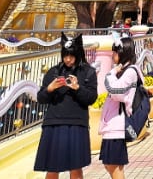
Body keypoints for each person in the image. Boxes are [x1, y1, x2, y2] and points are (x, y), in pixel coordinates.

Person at [34, 33, 98, 179]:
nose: (68, 59)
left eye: (71, 56)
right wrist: (49, 88)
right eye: (65, 55)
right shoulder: (53, 72)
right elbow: (41, 98)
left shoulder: (88, 72)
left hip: (77, 123)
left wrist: (78, 88)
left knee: (75, 169)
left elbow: (91, 98)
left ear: (78, 54)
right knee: (52, 168)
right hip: (54, 123)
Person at [99, 35, 141, 179]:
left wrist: (111, 73)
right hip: (112, 125)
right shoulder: (124, 70)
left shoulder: (130, 72)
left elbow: (115, 91)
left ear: (124, 53)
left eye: (115, 52)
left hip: (117, 126)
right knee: (111, 165)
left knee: (114, 166)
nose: (112, 55)